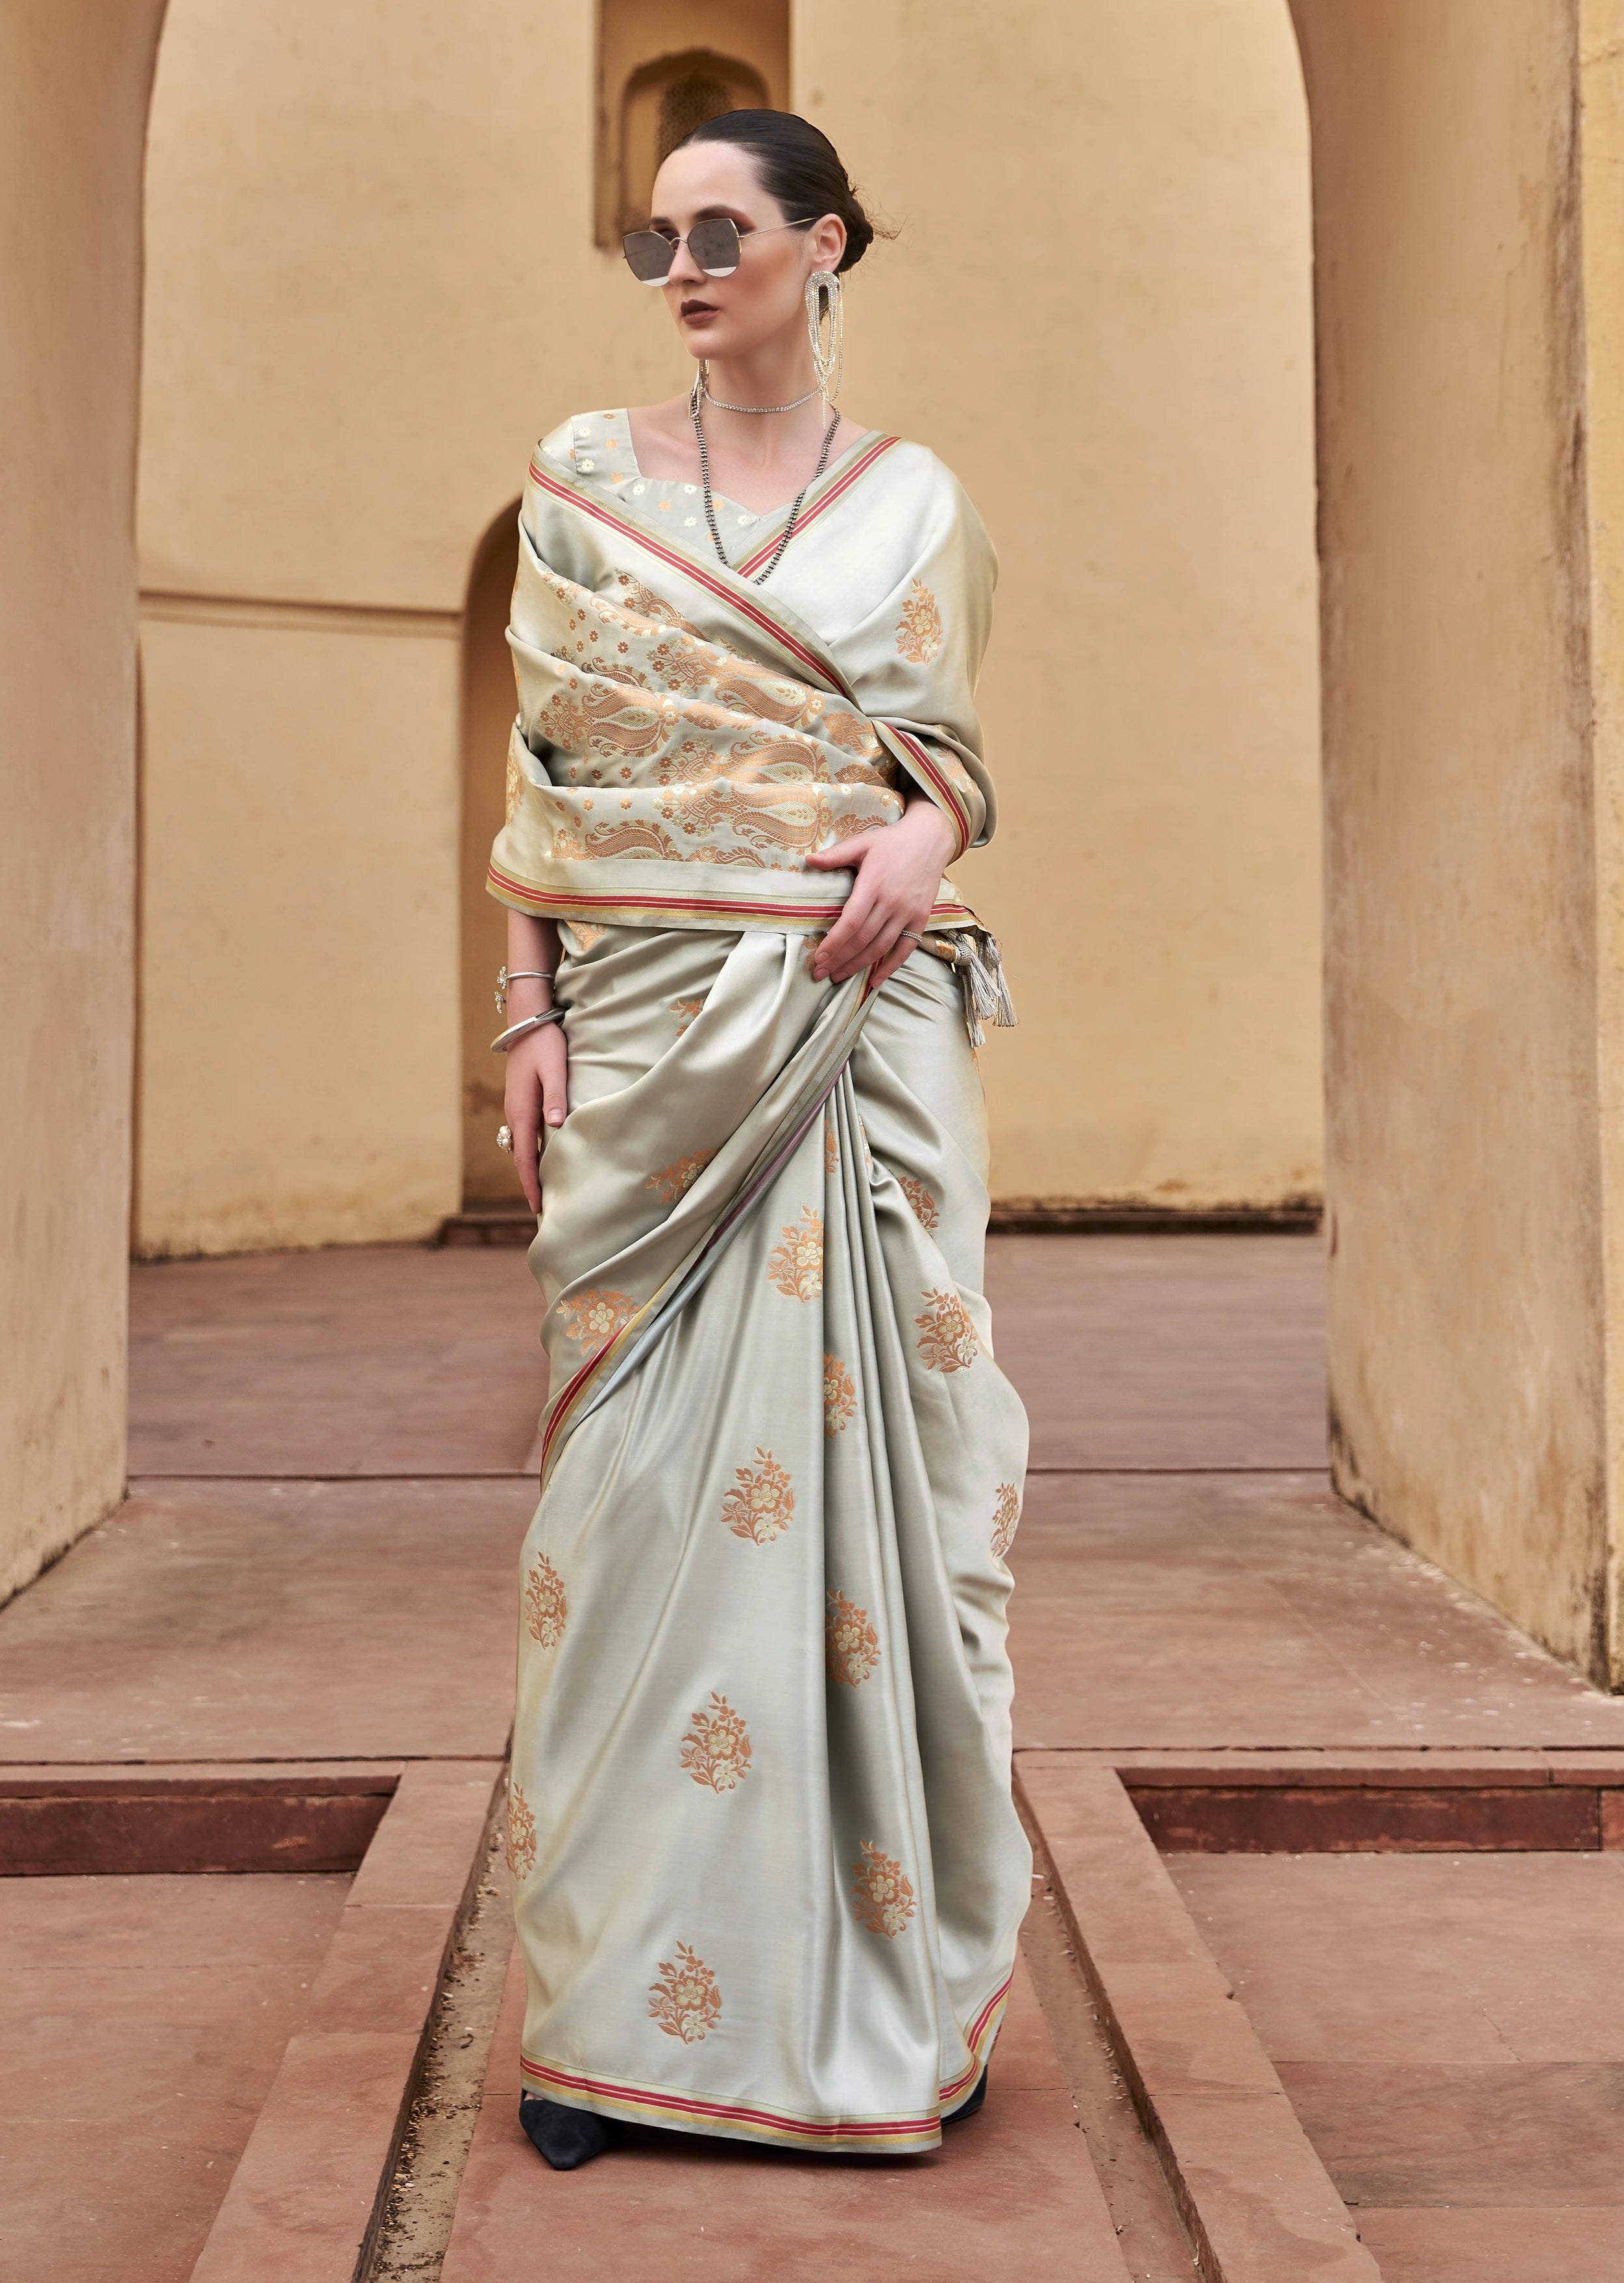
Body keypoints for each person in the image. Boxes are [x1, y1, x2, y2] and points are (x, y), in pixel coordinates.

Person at [488, 110, 1030, 2166]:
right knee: (631, 1511)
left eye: (723, 229)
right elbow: (541, 771)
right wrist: (525, 1005)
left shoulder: (911, 503)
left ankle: (875, 1989)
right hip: (640, 1043)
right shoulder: (581, 483)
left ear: (823, 248)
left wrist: (922, 829)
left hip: (854, 1027)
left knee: (887, 1481)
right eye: (659, 235)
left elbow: (954, 759)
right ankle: (614, 2019)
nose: (684, 263)